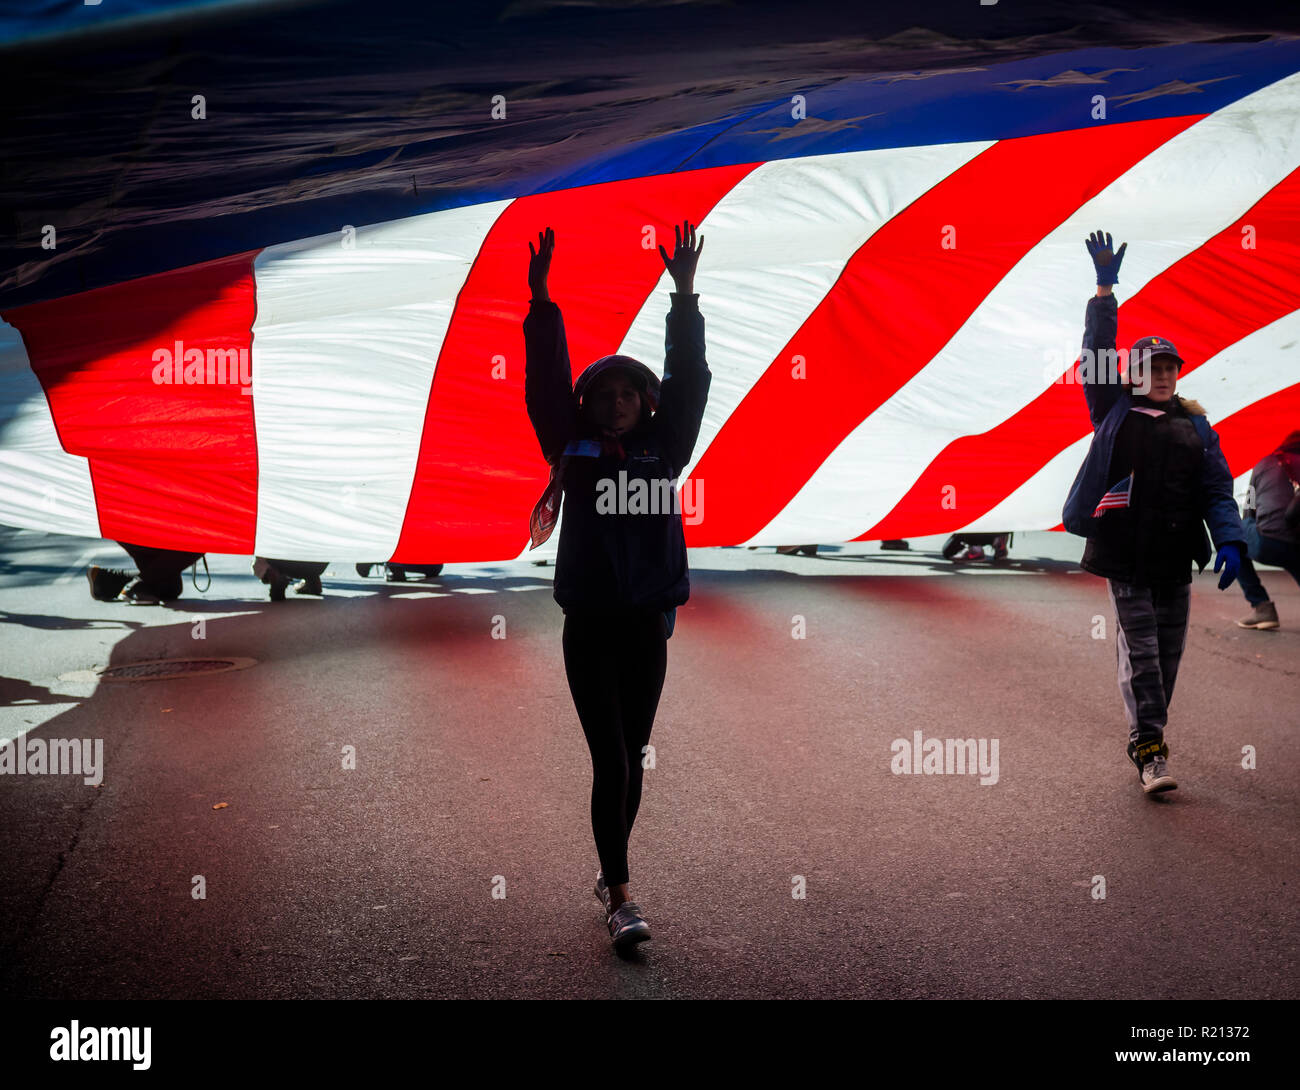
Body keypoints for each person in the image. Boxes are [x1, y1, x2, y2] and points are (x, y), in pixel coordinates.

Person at [523, 221, 709, 951]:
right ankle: (623, 896)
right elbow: (544, 384)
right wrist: (542, 303)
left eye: (631, 391)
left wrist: (684, 294)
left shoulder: (667, 451)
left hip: (648, 626)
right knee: (609, 757)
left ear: (646, 402)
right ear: (590, 405)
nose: (619, 399)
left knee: (633, 757)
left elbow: (689, 377)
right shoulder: (570, 449)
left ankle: (609, 871)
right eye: (606, 393)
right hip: (590, 626)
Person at [1063, 230, 1246, 795]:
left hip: (1173, 558)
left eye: (1170, 367)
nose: (1164, 375)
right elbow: (1096, 354)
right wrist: (1103, 290)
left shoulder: (1195, 427)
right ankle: (1151, 751)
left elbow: (1218, 490)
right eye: (1153, 367)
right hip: (1124, 556)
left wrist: (1232, 539)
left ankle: (1147, 730)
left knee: (1167, 660)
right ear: (1135, 374)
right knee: (1142, 655)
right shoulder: (1112, 411)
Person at [1235, 429, 1300, 629]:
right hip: (1298, 543)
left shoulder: (1264, 463)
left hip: (1269, 542)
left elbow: (1249, 509)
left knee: (1231, 539)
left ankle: (1262, 607)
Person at [87, 542, 206, 604]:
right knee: (201, 540)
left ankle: (102, 580)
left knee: (170, 587)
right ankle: (137, 586)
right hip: (135, 519)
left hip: (133, 519)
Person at [252, 557, 327, 600]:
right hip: (320, 562)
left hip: (284, 559)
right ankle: (312, 579)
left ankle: (275, 575)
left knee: (261, 553)